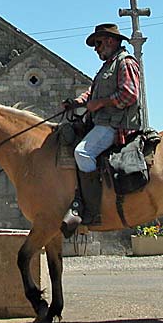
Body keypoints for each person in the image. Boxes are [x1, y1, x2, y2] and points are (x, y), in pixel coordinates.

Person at [60, 23, 142, 236]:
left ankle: (91, 210)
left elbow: (129, 94)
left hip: (116, 125)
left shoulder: (126, 63)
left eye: (98, 43)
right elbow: (92, 93)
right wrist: (77, 102)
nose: (96, 48)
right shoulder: (107, 66)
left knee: (82, 152)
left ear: (110, 40)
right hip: (102, 122)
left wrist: (101, 103)